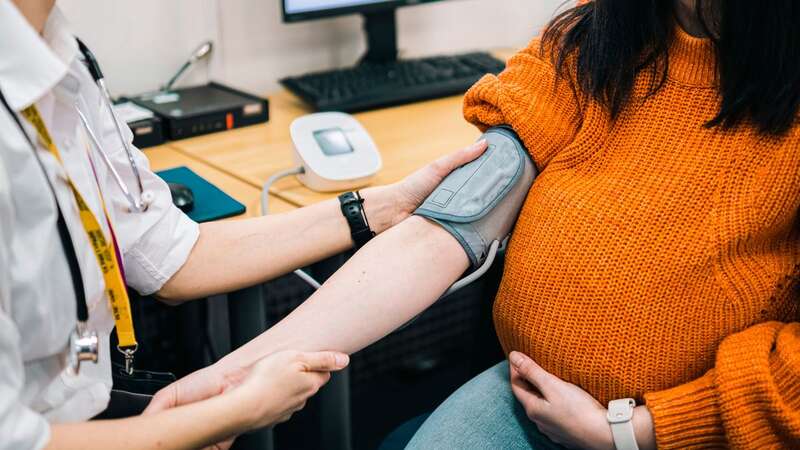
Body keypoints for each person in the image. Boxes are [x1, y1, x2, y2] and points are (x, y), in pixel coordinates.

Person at [148, 0, 800, 448]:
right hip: (528, 401)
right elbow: (442, 230)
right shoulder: (592, 45)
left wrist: (636, 432)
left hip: (699, 431)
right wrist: (234, 378)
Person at [0, 0, 489, 448]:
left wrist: (380, 206)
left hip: (89, 399)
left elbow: (167, 254)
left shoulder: (63, 55)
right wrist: (237, 409)